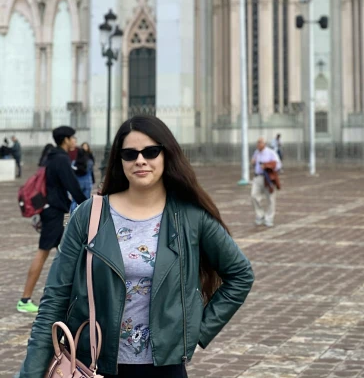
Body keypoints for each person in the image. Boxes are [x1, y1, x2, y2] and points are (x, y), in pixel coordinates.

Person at [18, 115, 254, 378]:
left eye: (151, 152)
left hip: (165, 368)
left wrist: (197, 329)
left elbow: (241, 275)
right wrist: (30, 373)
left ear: (167, 154)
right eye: (130, 154)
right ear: (120, 160)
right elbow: (54, 300)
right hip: (94, 365)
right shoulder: (89, 215)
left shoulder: (190, 217)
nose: (140, 160)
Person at [17, 126, 86, 315]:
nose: (75, 141)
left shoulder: (51, 157)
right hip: (54, 212)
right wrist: (89, 205)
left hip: (56, 211)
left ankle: (73, 296)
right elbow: (72, 185)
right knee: (44, 252)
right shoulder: (61, 159)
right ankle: (25, 299)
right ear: (65, 139)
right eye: (73, 137)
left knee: (68, 251)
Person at [251, 137, 282, 228]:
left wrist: (267, 166)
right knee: (254, 196)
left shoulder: (270, 153)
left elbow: (278, 165)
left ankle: (269, 218)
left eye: (260, 142)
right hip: (257, 177)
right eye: (257, 142)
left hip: (268, 178)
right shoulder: (256, 152)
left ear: (264, 144)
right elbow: (253, 162)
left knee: (270, 199)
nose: (258, 144)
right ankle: (260, 215)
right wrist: (253, 162)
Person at [69, 143, 95, 213]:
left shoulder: (74, 162)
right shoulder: (89, 161)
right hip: (87, 183)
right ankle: (84, 219)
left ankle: (72, 217)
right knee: (86, 202)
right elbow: (90, 170)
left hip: (78, 183)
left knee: (74, 200)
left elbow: (72, 172)